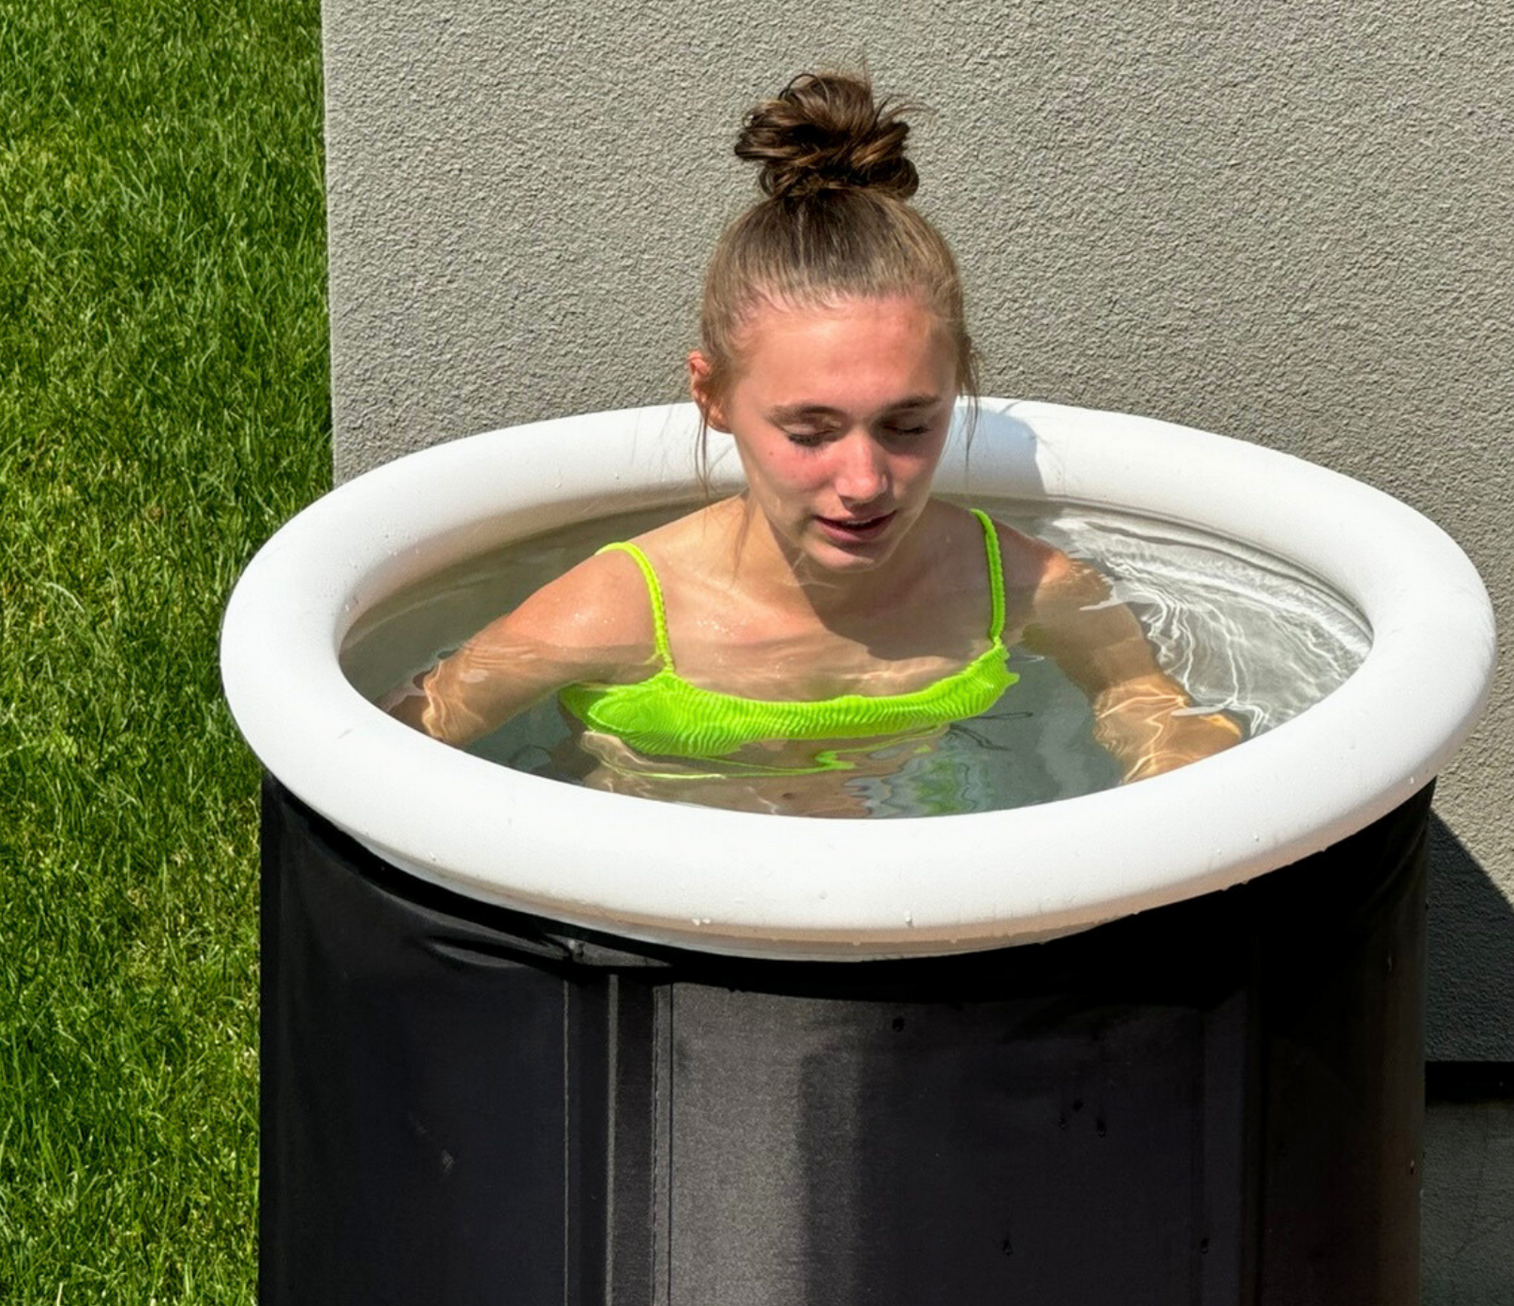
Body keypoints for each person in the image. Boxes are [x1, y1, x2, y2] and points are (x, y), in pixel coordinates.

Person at [387, 70, 1241, 815]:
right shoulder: (615, 612)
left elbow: (1149, 706)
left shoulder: (1025, 589)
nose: (866, 481)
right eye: (810, 431)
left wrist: (1165, 769)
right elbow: (400, 741)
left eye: (910, 425)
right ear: (712, 396)